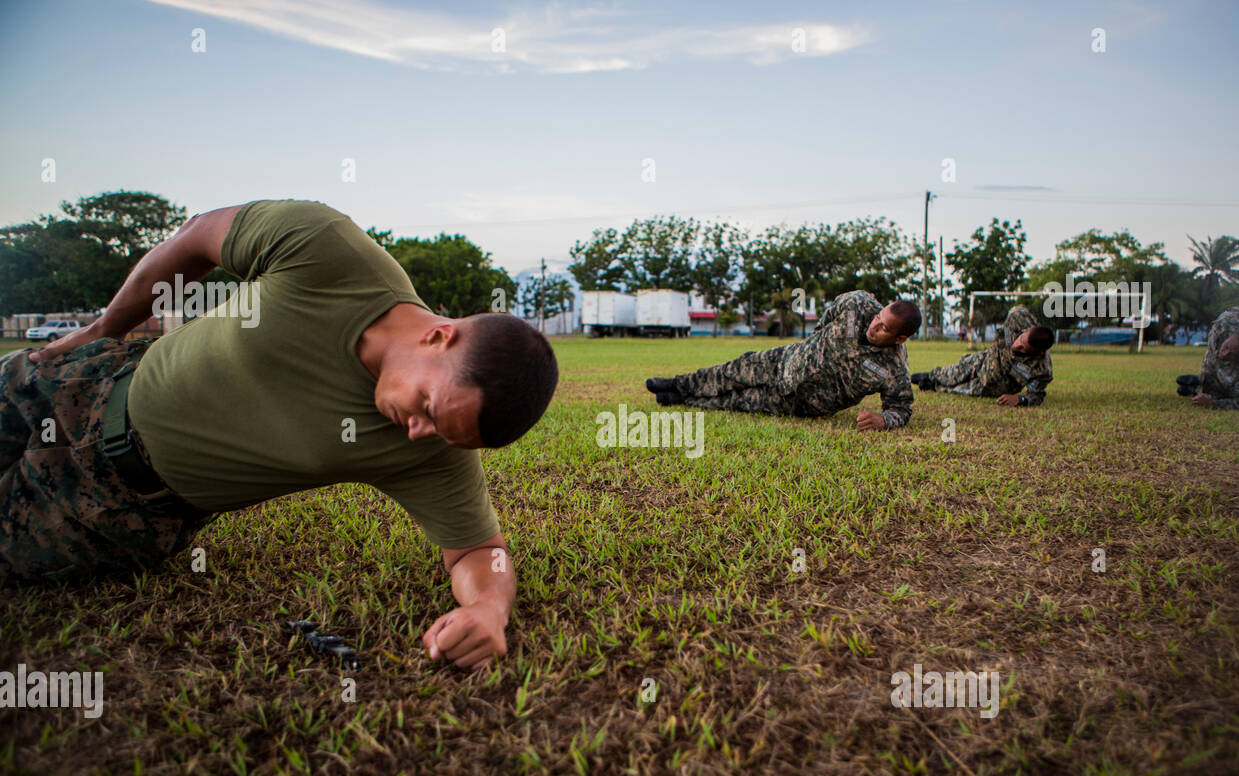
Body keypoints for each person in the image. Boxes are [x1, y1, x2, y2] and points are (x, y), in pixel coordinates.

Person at [1, 199, 559, 669]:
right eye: (430, 409)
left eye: (443, 433)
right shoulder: (330, 252)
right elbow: (199, 237)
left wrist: (488, 610)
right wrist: (104, 329)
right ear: (440, 337)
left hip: (111, 510)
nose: (419, 433)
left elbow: (481, 552)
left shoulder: (428, 449)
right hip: (82, 381)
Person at [645, 291, 918, 432]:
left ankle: (681, 400)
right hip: (785, 360)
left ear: (899, 339)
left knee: (738, 402)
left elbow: (902, 408)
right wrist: (817, 338)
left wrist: (883, 420)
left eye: (884, 328)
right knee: (729, 372)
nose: (875, 326)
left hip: (803, 402)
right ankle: (677, 384)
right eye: (877, 319)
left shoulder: (893, 368)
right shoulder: (857, 304)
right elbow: (828, 315)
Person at [911, 305, 1054, 407]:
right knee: (952, 372)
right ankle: (931, 376)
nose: (1017, 345)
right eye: (1021, 339)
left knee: (959, 390)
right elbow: (1016, 310)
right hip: (985, 359)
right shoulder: (1020, 318)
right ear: (1028, 330)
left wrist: (1020, 399)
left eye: (1023, 348)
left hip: (994, 385)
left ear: (1038, 353)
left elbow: (1036, 395)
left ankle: (932, 386)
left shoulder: (1042, 370)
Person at [1175, 308, 1239, 410]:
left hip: (1230, 384)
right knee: (1208, 382)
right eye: (1227, 347)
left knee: (1226, 394)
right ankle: (1202, 383)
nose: (1225, 354)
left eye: (1233, 355)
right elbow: (1236, 311)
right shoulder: (1224, 326)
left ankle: (1199, 388)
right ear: (1232, 335)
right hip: (1212, 367)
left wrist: (1214, 404)